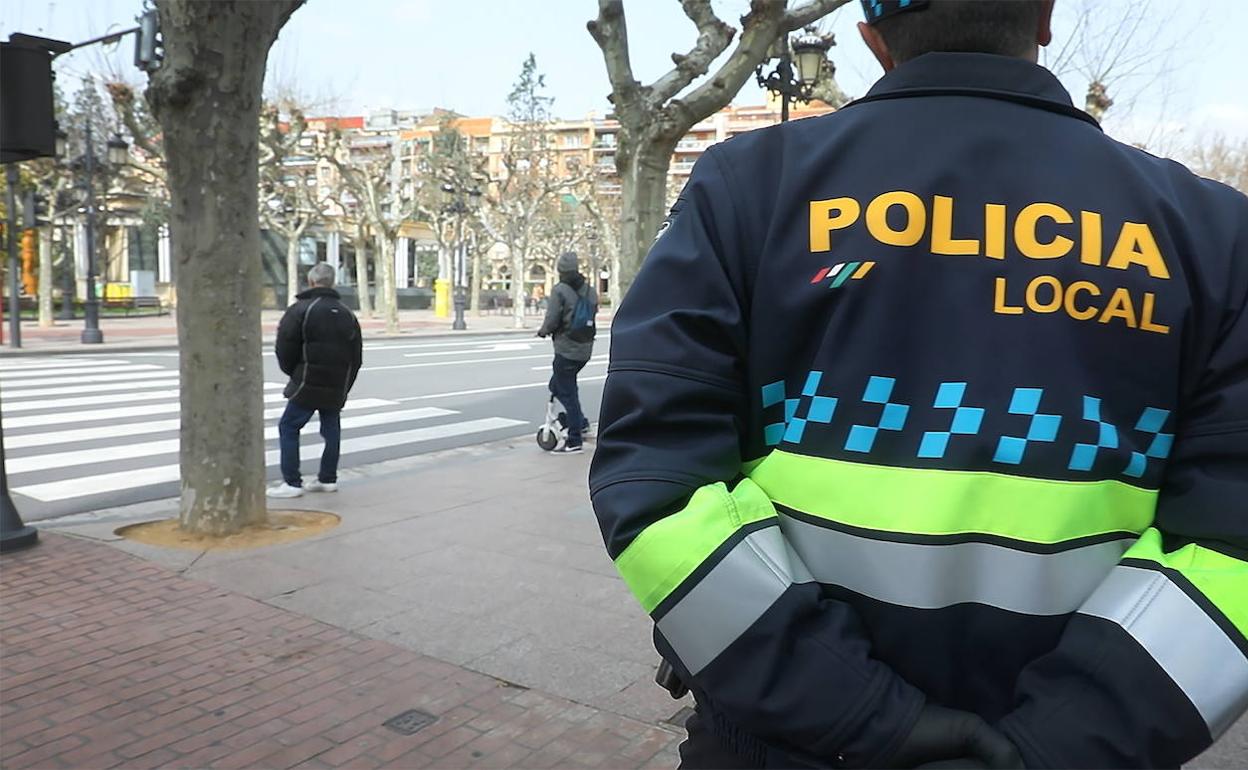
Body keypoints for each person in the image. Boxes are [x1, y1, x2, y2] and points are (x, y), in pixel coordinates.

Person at [589, 1, 1248, 768]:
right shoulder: (1214, 233)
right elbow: (1232, 548)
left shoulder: (748, 186)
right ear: (1043, 15)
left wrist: (865, 714)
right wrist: (1053, 744)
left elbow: (658, 482)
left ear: (873, 39)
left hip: (784, 741)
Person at [268, 262, 363, 498]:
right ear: (333, 283)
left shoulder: (300, 309)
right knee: (331, 428)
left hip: (307, 382)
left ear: (311, 282)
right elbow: (356, 357)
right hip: (336, 383)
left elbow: (284, 347)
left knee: (289, 426)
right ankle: (327, 478)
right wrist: (345, 385)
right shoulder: (347, 314)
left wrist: (294, 373)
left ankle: (292, 482)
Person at [538, 251, 597, 453]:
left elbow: (552, 318)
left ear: (560, 270)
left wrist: (543, 331)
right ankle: (581, 423)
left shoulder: (559, 290)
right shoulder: (590, 290)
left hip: (566, 349)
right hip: (585, 348)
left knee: (567, 392)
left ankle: (574, 439)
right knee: (557, 384)